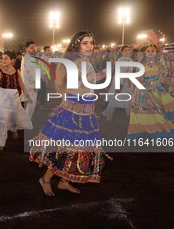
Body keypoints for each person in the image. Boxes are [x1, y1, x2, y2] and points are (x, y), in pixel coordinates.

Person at [29, 31, 112, 196]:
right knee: (65, 149)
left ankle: (63, 182)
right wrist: (99, 77)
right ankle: (45, 180)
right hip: (74, 113)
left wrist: (101, 74)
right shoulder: (76, 63)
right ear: (77, 45)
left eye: (91, 43)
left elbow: (88, 81)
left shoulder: (84, 62)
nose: (89, 46)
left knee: (76, 150)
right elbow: (79, 86)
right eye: (85, 43)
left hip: (86, 111)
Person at [0, 51, 32, 151]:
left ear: (12, 60)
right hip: (2, 96)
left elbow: (21, 84)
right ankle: (1, 142)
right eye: (2, 58)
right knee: (2, 117)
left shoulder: (16, 71)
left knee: (15, 115)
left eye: (6, 58)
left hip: (14, 96)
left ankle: (14, 130)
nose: (3, 60)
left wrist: (28, 95)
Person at [127, 44, 174, 139]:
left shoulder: (160, 65)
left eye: (153, 50)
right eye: (148, 51)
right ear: (145, 53)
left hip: (157, 91)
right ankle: (146, 129)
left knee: (159, 114)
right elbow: (138, 80)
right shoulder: (141, 65)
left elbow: (163, 79)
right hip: (143, 92)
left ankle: (157, 129)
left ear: (156, 52)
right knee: (145, 114)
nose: (150, 52)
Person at [102, 45, 134, 120]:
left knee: (128, 98)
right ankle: (108, 114)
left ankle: (129, 115)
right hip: (120, 81)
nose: (127, 51)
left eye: (128, 50)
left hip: (128, 82)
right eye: (125, 50)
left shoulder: (131, 60)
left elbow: (131, 71)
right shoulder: (120, 60)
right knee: (115, 98)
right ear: (122, 52)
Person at [21, 41, 38, 119]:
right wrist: (28, 87)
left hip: (33, 85)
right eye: (31, 47)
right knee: (31, 103)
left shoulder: (32, 58)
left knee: (31, 104)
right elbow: (25, 75)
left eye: (34, 47)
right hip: (29, 86)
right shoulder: (26, 59)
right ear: (26, 49)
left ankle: (26, 120)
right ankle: (26, 121)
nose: (34, 49)